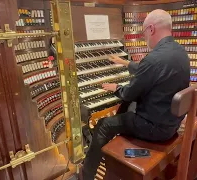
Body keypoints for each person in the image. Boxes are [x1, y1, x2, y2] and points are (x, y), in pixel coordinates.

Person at [81, 9, 190, 180]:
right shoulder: (180, 52)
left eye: (144, 31)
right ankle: (114, 156)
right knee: (127, 107)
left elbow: (129, 93)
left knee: (104, 125)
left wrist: (116, 87)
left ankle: (86, 176)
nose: (144, 36)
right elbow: (154, 71)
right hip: (171, 122)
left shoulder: (153, 58)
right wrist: (126, 63)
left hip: (156, 129)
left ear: (151, 29)